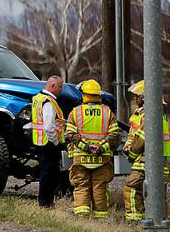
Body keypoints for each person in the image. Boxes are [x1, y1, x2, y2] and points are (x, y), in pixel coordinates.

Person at [65, 79, 121, 219]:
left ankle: (82, 217)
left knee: (81, 186)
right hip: (102, 157)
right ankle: (101, 218)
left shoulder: (76, 112)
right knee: (99, 187)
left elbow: (71, 134)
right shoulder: (108, 113)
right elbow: (114, 135)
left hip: (81, 157)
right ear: (98, 95)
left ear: (84, 95)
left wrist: (87, 147)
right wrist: (101, 148)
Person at [122, 80, 170, 222]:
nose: (135, 99)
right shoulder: (159, 115)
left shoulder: (149, 116)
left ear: (144, 97)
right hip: (161, 162)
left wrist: (131, 154)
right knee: (157, 194)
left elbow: (141, 139)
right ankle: (159, 221)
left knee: (131, 188)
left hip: (146, 161)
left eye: (137, 96)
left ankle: (135, 221)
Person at [31, 75, 65, 208]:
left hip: (39, 142)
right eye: (60, 87)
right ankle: (45, 203)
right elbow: (49, 127)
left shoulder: (38, 98)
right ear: (52, 86)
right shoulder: (48, 103)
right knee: (48, 174)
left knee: (46, 173)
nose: (61, 90)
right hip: (49, 144)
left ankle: (45, 201)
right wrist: (56, 141)